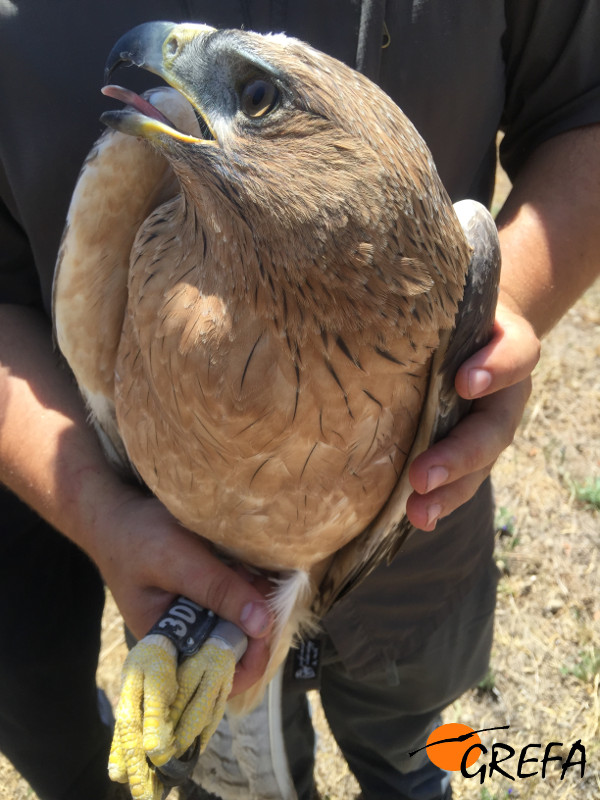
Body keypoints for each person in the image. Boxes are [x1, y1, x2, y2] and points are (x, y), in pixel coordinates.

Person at [0, 2, 598, 799]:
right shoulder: (137, 180)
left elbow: (583, 108)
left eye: (253, 97)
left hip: (413, 572)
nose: (169, 49)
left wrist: (488, 313)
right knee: (237, 779)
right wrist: (98, 512)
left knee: (412, 756)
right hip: (171, 570)